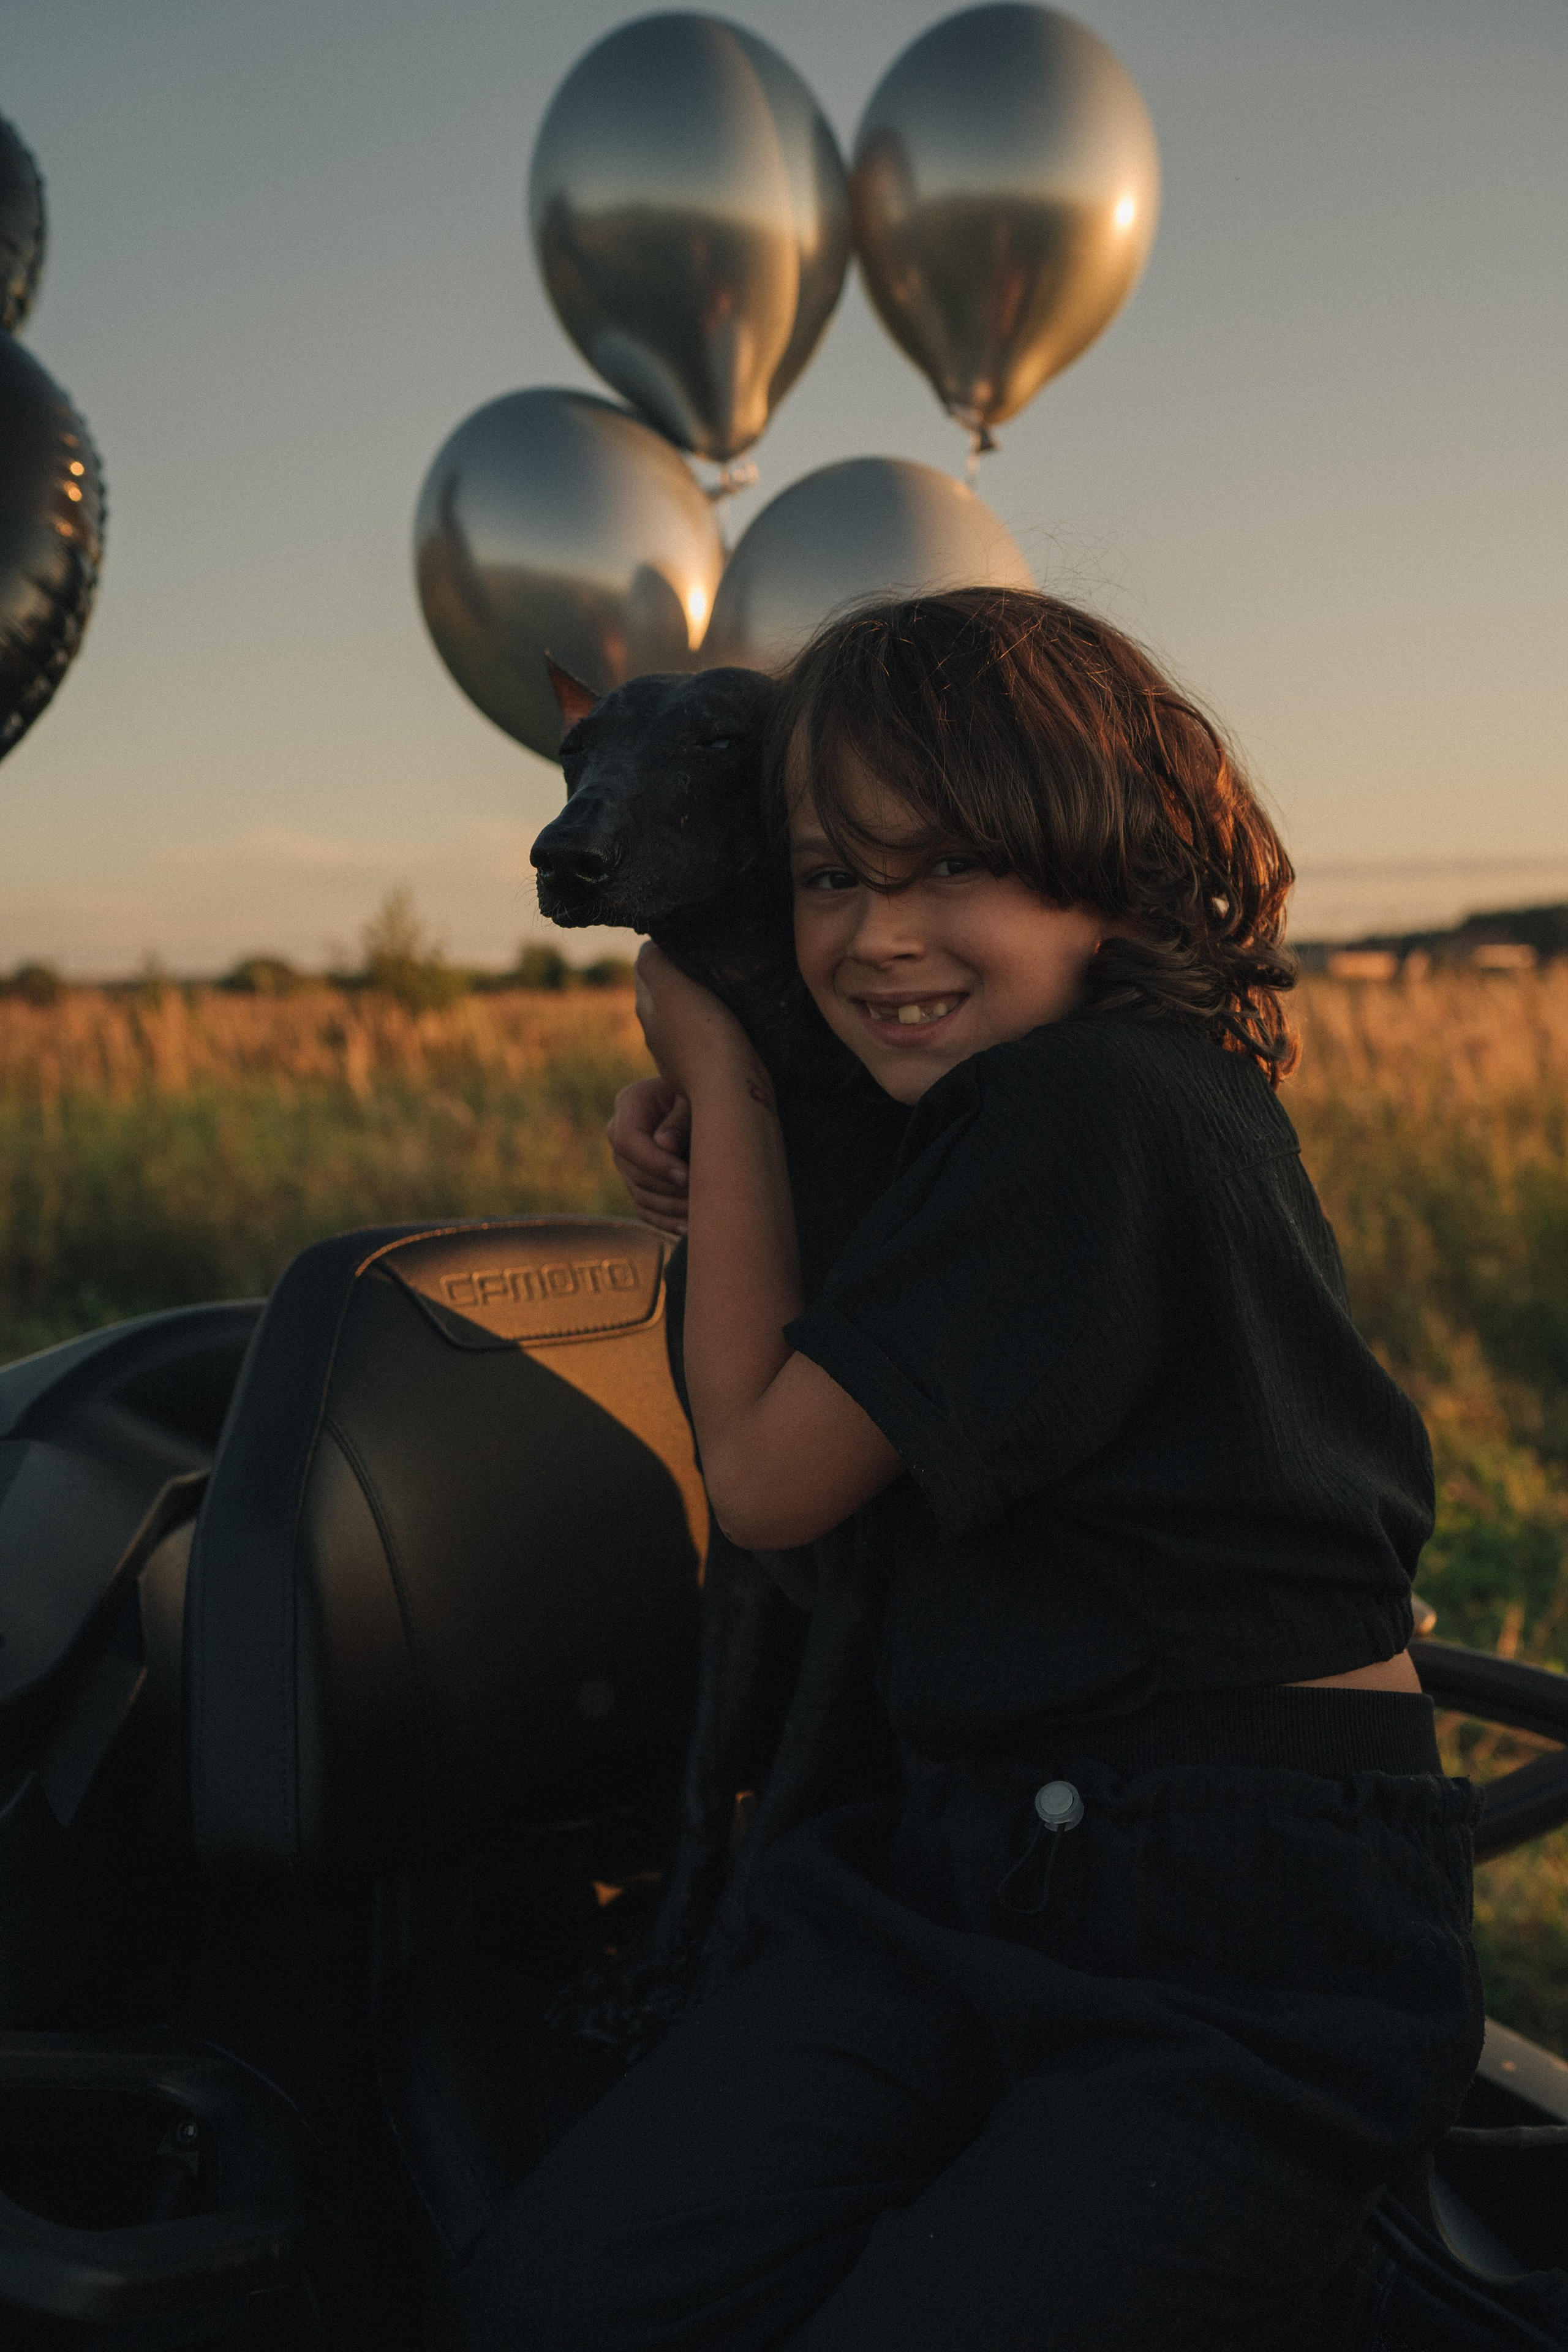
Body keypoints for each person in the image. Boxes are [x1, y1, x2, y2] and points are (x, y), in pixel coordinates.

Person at [459, 589, 1481, 2351]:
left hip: (1235, 1918)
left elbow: (767, 1483)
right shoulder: (1080, 1102)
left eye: (949, 869)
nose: (877, 935)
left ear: (1112, 871)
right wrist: (730, 1140)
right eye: (828, 876)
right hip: (978, 1856)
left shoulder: (1079, 1111)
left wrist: (718, 1073)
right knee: (564, 2296)